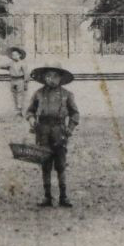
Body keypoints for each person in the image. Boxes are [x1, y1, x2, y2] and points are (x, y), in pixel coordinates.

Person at [25, 66, 79, 207]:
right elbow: (30, 111)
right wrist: (31, 120)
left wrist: (70, 128)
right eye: (48, 76)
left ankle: (63, 196)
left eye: (55, 76)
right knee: (45, 164)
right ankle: (47, 197)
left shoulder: (67, 94)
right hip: (42, 132)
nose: (51, 79)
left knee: (60, 165)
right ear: (44, 78)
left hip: (59, 132)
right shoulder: (38, 94)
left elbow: (75, 114)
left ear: (60, 78)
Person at [4, 45, 29, 117]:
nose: (14, 56)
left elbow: (26, 74)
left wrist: (25, 83)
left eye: (15, 55)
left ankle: (20, 111)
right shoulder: (11, 63)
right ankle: (17, 111)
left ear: (20, 55)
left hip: (20, 80)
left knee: (20, 96)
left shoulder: (23, 63)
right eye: (12, 55)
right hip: (13, 80)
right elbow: (4, 66)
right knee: (14, 95)